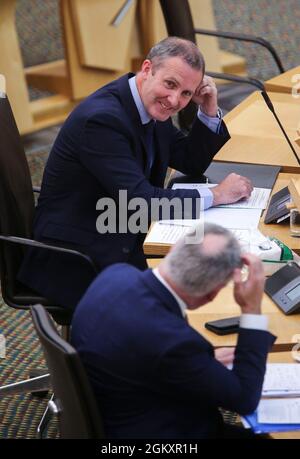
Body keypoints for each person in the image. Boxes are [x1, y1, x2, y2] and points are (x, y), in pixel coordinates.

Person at [19, 37, 253, 309]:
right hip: (78, 255)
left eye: (187, 93)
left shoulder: (145, 103)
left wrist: (208, 109)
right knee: (191, 291)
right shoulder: (102, 121)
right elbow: (141, 201)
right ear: (147, 69)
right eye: (170, 84)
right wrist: (217, 194)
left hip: (118, 226)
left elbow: (190, 161)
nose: (175, 100)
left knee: (208, 267)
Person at [71, 223, 275, 439]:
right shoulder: (174, 344)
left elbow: (146, 348)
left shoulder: (116, 274)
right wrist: (251, 308)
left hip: (122, 407)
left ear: (174, 250)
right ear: (213, 293)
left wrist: (199, 363)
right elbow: (244, 399)